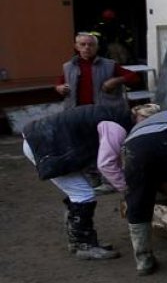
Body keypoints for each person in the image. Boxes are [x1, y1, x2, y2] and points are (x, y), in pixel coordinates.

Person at [21, 103, 134, 260]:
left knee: (79, 193)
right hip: (46, 145)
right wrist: (127, 190)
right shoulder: (117, 126)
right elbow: (106, 163)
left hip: (42, 138)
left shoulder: (115, 114)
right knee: (82, 193)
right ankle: (83, 245)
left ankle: (78, 241)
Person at [97, 104, 167, 276]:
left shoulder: (137, 127)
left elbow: (158, 171)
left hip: (136, 146)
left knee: (138, 201)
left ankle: (144, 260)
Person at [56, 32, 140, 109]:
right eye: (83, 44)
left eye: (91, 44)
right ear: (77, 47)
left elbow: (134, 77)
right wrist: (59, 88)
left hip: (103, 111)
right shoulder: (68, 66)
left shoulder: (109, 65)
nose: (87, 47)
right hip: (76, 112)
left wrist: (116, 80)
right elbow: (60, 83)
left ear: (97, 47)